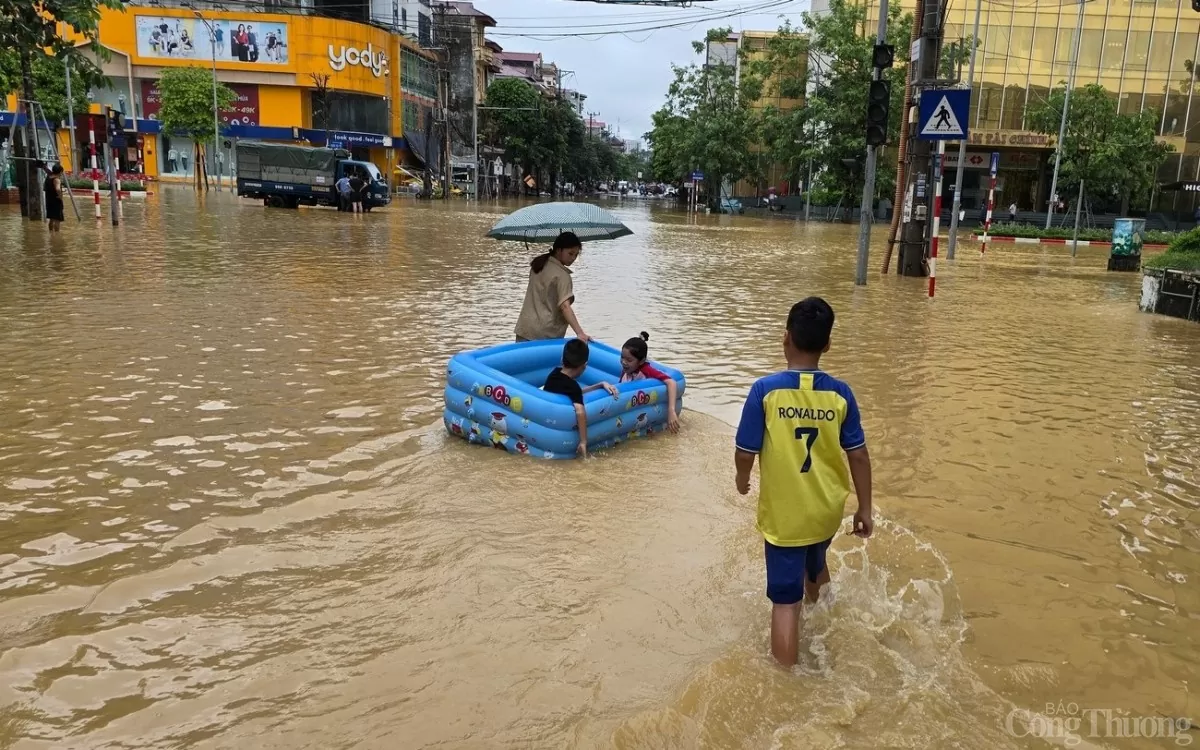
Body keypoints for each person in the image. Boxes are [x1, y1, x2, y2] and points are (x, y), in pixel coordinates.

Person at [733, 297, 873, 668]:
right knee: (816, 561)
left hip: (785, 518)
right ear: (827, 344)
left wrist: (742, 478)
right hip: (826, 510)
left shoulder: (766, 391)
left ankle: (786, 683)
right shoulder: (840, 393)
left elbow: (746, 451)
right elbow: (858, 454)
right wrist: (865, 507)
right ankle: (829, 622)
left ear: (785, 338)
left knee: (784, 601)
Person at [543, 339, 618, 458]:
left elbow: (572, 393)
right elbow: (580, 411)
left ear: (562, 360)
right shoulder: (573, 387)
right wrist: (583, 441)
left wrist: (599, 385)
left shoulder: (554, 374)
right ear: (584, 365)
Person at [514, 231, 591, 343]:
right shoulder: (563, 276)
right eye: (570, 253)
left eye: (576, 254)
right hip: (544, 334)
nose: (573, 258)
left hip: (525, 328)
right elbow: (565, 306)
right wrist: (580, 333)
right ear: (559, 250)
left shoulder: (538, 264)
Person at [619, 332, 680, 433]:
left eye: (629, 360)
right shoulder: (626, 370)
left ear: (641, 361)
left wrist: (671, 410)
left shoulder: (646, 370)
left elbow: (671, 382)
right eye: (622, 357)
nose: (624, 362)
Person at [43, 164, 65, 232]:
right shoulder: (57, 179)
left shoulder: (48, 177)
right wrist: (60, 196)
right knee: (57, 220)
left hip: (49, 200)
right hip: (56, 201)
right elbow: (58, 189)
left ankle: (51, 233)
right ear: (60, 172)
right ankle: (56, 236)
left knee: (51, 219)